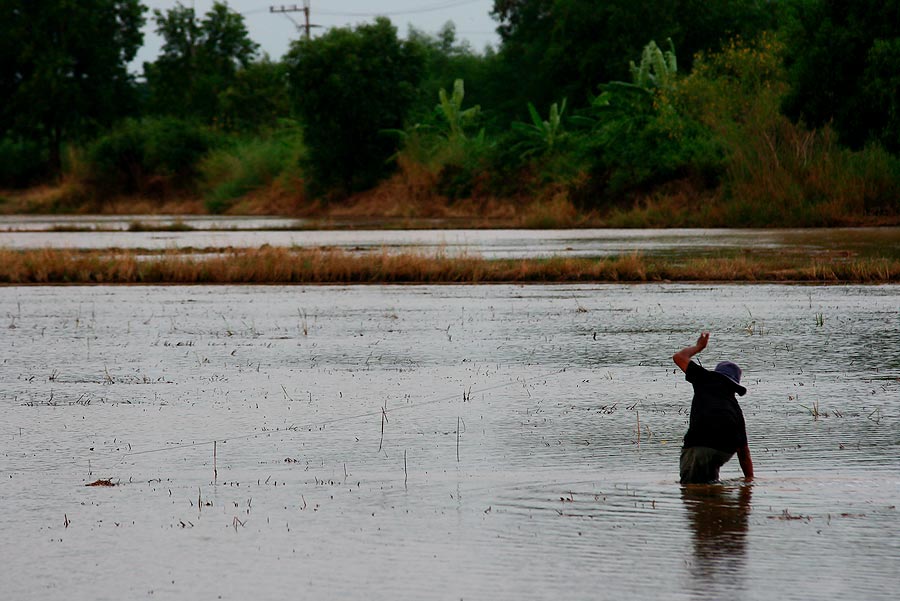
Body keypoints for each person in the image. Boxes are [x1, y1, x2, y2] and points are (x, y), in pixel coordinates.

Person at [673, 332, 753, 484]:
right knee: (710, 483)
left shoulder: (705, 378)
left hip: (699, 445)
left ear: (717, 374)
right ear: (734, 386)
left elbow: (679, 357)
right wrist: (749, 483)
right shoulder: (735, 409)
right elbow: (744, 453)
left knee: (691, 489)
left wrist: (699, 347)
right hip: (725, 450)